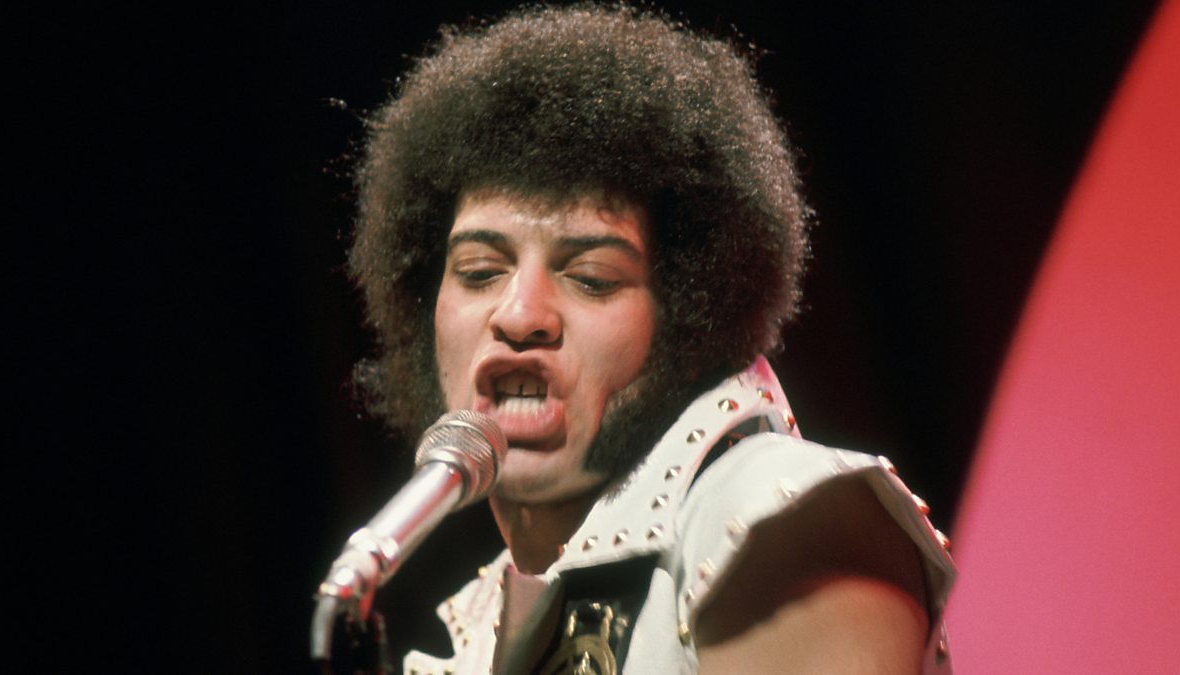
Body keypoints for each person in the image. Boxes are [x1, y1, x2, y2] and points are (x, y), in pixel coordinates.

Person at [347, 4, 955, 673]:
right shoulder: (479, 629)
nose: (519, 314)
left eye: (592, 277)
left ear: (687, 320)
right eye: (479, 271)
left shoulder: (783, 519)